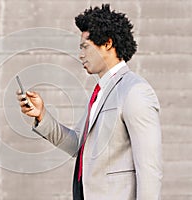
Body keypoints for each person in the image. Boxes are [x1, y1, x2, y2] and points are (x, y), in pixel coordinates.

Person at [17, 4, 162, 200]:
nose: (81, 55)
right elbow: (77, 145)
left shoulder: (134, 91)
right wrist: (42, 115)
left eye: (85, 47)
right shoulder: (101, 92)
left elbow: (149, 169)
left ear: (108, 44)